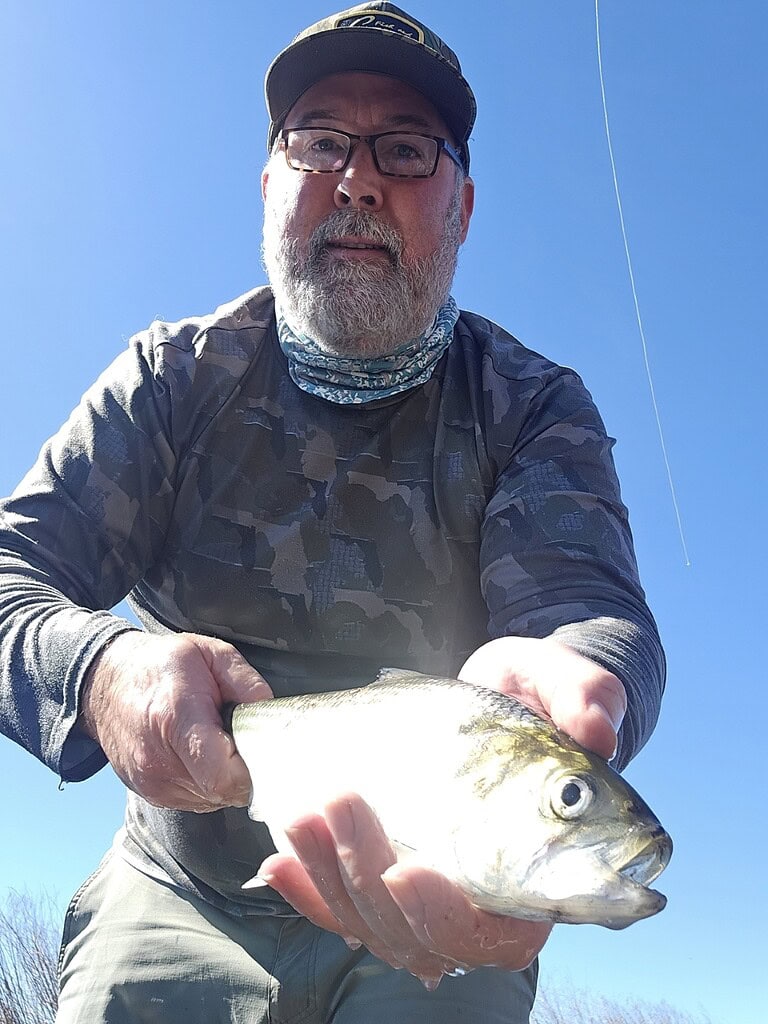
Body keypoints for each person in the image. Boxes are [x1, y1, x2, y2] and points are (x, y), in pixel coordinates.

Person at [0, 3, 665, 1022]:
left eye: (405, 149)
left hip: (440, 885)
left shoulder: (533, 406)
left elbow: (587, 609)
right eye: (318, 143)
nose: (356, 180)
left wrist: (583, 673)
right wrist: (100, 674)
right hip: (179, 887)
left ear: (463, 207)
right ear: (269, 183)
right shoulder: (170, 380)